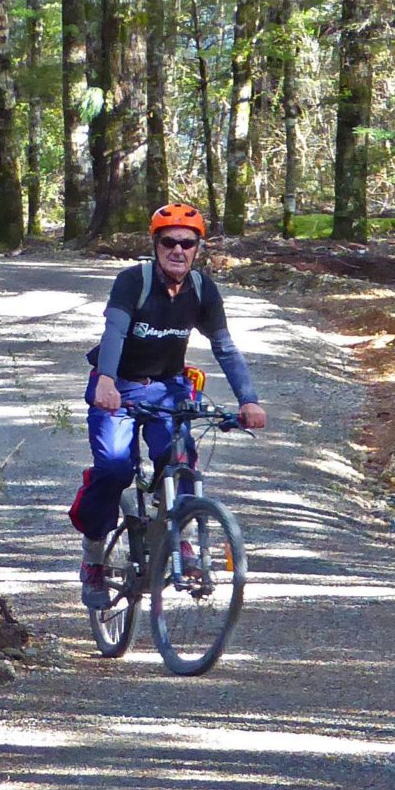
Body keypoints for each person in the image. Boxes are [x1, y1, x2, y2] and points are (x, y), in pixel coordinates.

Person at [71, 204, 268, 607]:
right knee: (113, 469)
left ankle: (178, 535)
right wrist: (106, 380)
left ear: (199, 248)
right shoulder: (133, 282)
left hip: (168, 390)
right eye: (169, 242)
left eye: (187, 243)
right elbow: (114, 332)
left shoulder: (201, 289)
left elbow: (225, 348)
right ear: (155, 245)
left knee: (178, 458)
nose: (178, 250)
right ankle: (93, 554)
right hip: (120, 388)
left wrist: (249, 400)